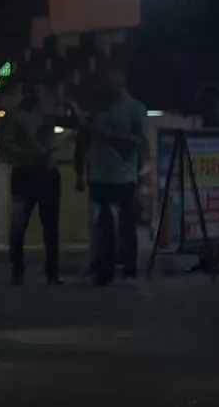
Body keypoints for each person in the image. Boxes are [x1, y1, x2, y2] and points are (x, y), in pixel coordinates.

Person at [76, 70, 147, 286]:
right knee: (103, 228)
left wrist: (114, 136)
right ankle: (103, 272)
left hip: (124, 177)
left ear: (120, 82)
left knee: (127, 226)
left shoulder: (135, 108)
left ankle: (129, 270)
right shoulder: (98, 109)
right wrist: (81, 172)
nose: (104, 87)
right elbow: (83, 141)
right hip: (99, 177)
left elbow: (141, 141)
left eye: (108, 83)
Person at [0, 81, 63, 286]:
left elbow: (76, 123)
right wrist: (30, 153)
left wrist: (68, 105)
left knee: (51, 226)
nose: (36, 95)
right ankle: (18, 271)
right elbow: (6, 145)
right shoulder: (14, 116)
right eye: (33, 91)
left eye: (39, 91)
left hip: (48, 173)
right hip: (25, 173)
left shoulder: (49, 115)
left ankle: (52, 272)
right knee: (19, 225)